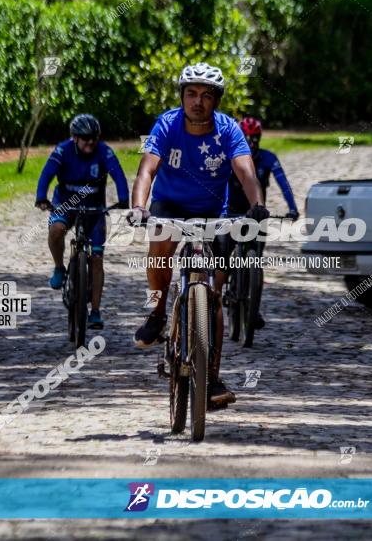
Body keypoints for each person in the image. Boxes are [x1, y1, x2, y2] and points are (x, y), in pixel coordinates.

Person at [127, 62, 268, 407]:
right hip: (169, 205)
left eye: (206, 95)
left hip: (212, 213)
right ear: (182, 97)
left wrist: (257, 205)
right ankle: (159, 314)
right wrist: (137, 206)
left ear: (216, 100)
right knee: (159, 243)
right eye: (191, 94)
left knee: (215, 292)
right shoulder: (167, 123)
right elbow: (147, 168)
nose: (198, 102)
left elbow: (245, 170)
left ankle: (212, 378)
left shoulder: (228, 129)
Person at [35, 114, 129, 329]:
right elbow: (47, 173)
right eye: (85, 138)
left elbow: (119, 176)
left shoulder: (104, 151)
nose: (90, 142)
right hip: (66, 203)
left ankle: (95, 311)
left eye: (94, 138)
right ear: (74, 138)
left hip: (95, 208)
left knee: (97, 258)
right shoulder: (63, 150)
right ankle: (59, 267)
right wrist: (41, 196)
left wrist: (124, 200)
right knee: (56, 229)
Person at [218, 116, 299, 329]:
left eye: (255, 138)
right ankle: (218, 296)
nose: (252, 143)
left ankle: (253, 306)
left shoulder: (268, 158)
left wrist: (292, 208)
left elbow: (284, 184)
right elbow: (220, 184)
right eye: (247, 138)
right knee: (223, 258)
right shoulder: (230, 158)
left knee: (255, 259)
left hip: (256, 213)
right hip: (230, 211)